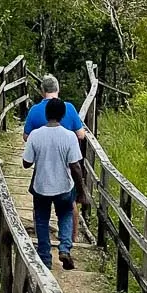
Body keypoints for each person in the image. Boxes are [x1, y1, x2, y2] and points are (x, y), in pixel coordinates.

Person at [22, 96, 86, 271]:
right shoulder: (70, 137)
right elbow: (76, 167)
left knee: (41, 220)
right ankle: (64, 248)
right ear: (63, 115)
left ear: (46, 113)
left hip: (41, 186)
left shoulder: (35, 135)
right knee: (65, 214)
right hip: (64, 187)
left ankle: (45, 258)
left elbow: (26, 163)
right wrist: (81, 192)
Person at [22, 73, 83, 138]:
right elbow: (80, 135)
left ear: (42, 90)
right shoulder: (69, 107)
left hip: (43, 147)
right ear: (58, 89)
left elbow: (26, 136)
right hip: (64, 146)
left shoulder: (34, 110)